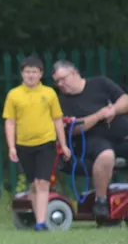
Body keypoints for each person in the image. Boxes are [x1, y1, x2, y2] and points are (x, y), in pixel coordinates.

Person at [52, 60, 128, 217]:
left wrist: (113, 110)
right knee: (106, 155)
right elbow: (74, 129)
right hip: (89, 142)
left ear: (74, 73)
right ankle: (101, 202)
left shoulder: (100, 83)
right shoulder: (61, 101)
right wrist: (100, 115)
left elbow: (125, 100)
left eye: (62, 79)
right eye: (57, 81)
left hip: (120, 137)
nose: (60, 84)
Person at [2, 57, 70, 230]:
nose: (30, 75)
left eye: (34, 72)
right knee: (32, 184)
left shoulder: (49, 93)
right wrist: (11, 146)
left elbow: (57, 120)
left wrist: (63, 144)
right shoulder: (14, 95)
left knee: (43, 183)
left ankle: (41, 222)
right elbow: (10, 122)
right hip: (24, 144)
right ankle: (37, 217)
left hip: (46, 143)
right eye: (27, 72)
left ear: (40, 74)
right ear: (22, 74)